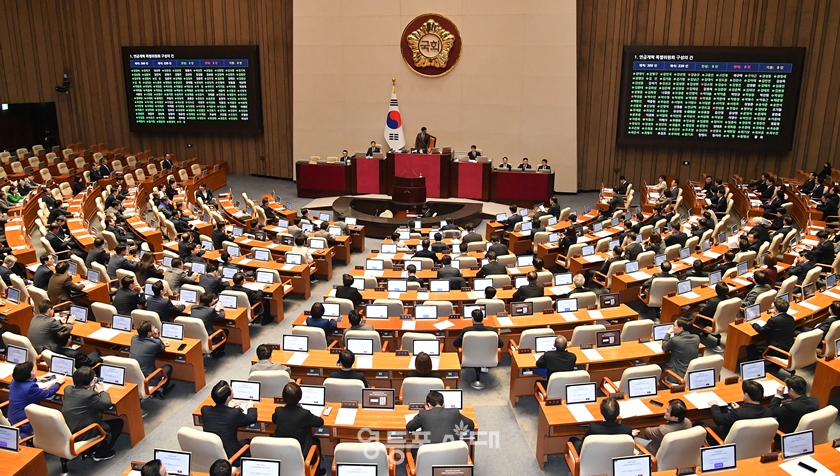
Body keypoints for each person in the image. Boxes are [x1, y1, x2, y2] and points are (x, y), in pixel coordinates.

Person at [62, 366, 124, 461]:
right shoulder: (89, 396)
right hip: (84, 432)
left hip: (70, 428)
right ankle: (101, 454)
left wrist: (90, 389)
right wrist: (101, 391)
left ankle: (92, 448)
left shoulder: (67, 389)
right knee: (118, 423)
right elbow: (107, 404)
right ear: (91, 382)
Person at [272, 383, 327, 476]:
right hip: (302, 453)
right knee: (316, 441)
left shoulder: (278, 411)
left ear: (283, 398)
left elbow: (274, 420)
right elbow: (320, 422)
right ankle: (317, 472)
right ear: (300, 397)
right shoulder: (304, 414)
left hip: (280, 451)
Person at [201, 380, 257, 463]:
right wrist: (250, 406)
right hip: (231, 455)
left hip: (212, 451)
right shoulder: (234, 413)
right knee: (250, 441)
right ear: (228, 398)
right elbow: (251, 419)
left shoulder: (205, 410)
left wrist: (227, 406)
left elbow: (218, 412)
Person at [701, 380, 773, 444]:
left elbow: (718, 419)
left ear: (746, 395)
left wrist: (714, 405)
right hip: (754, 443)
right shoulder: (768, 412)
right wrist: (740, 408)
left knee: (699, 424)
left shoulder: (738, 413)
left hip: (725, 441)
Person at [406, 390, 475, 453]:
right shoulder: (454, 413)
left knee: (414, 448)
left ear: (429, 405)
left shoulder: (423, 414)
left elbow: (409, 427)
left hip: (429, 456)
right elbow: (471, 425)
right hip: (451, 456)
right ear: (443, 404)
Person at [9, 361, 63, 438]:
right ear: (28, 375)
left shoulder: (14, 381)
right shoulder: (31, 388)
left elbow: (25, 384)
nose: (35, 372)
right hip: (24, 423)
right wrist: (58, 383)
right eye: (33, 371)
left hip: (13, 418)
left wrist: (36, 378)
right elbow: (47, 393)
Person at [770, 375, 820, 445]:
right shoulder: (815, 401)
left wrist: (778, 395)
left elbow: (773, 411)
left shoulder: (791, 407)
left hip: (787, 438)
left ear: (791, 390)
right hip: (807, 435)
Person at [129, 321, 174, 396]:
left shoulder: (134, 339)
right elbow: (161, 347)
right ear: (149, 333)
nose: (155, 328)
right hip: (149, 378)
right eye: (153, 328)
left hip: (134, 376)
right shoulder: (155, 343)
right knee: (168, 367)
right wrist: (156, 336)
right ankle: (161, 389)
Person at [662, 318, 700, 383]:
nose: (673, 327)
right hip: (690, 373)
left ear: (681, 329)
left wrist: (668, 333)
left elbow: (664, 347)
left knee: (658, 364)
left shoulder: (675, 340)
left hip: (676, 375)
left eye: (674, 325)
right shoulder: (696, 338)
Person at [192, 292, 229, 358]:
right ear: (211, 302)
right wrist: (222, 309)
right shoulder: (210, 311)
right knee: (225, 331)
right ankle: (217, 353)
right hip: (209, 337)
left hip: (195, 335)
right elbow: (221, 317)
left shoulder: (193, 307)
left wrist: (210, 308)